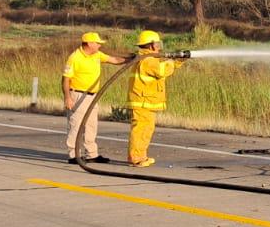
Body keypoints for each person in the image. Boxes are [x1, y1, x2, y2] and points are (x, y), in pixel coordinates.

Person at [127, 30, 189, 168]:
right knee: (141, 130)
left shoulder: (148, 59)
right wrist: (173, 60)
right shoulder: (147, 60)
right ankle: (137, 158)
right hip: (143, 101)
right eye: (157, 43)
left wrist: (179, 60)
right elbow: (162, 71)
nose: (159, 46)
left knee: (145, 130)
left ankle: (140, 156)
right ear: (151, 45)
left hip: (145, 101)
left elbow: (163, 67)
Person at [62, 31, 126, 164]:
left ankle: (91, 154)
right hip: (78, 94)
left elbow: (114, 60)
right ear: (89, 43)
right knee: (76, 125)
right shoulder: (75, 57)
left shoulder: (97, 55)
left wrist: (130, 59)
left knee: (91, 125)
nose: (99, 45)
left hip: (93, 96)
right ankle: (73, 155)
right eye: (97, 43)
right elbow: (66, 79)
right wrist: (68, 97)